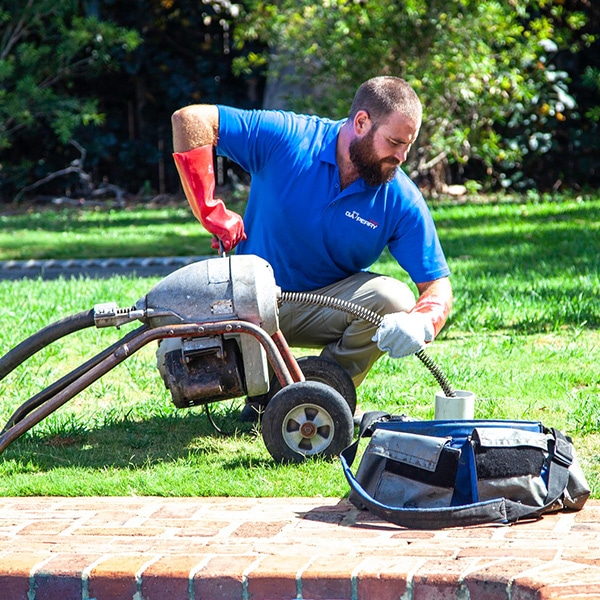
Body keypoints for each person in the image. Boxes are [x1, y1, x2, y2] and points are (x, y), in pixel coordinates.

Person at [171, 76, 453, 421]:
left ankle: (313, 394)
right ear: (362, 122)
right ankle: (267, 389)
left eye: (407, 146)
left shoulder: (399, 198)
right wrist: (209, 210)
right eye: (394, 142)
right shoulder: (287, 138)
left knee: (394, 299)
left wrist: (423, 323)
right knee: (173, 353)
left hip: (319, 309)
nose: (401, 157)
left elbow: (437, 285)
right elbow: (190, 120)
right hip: (247, 307)